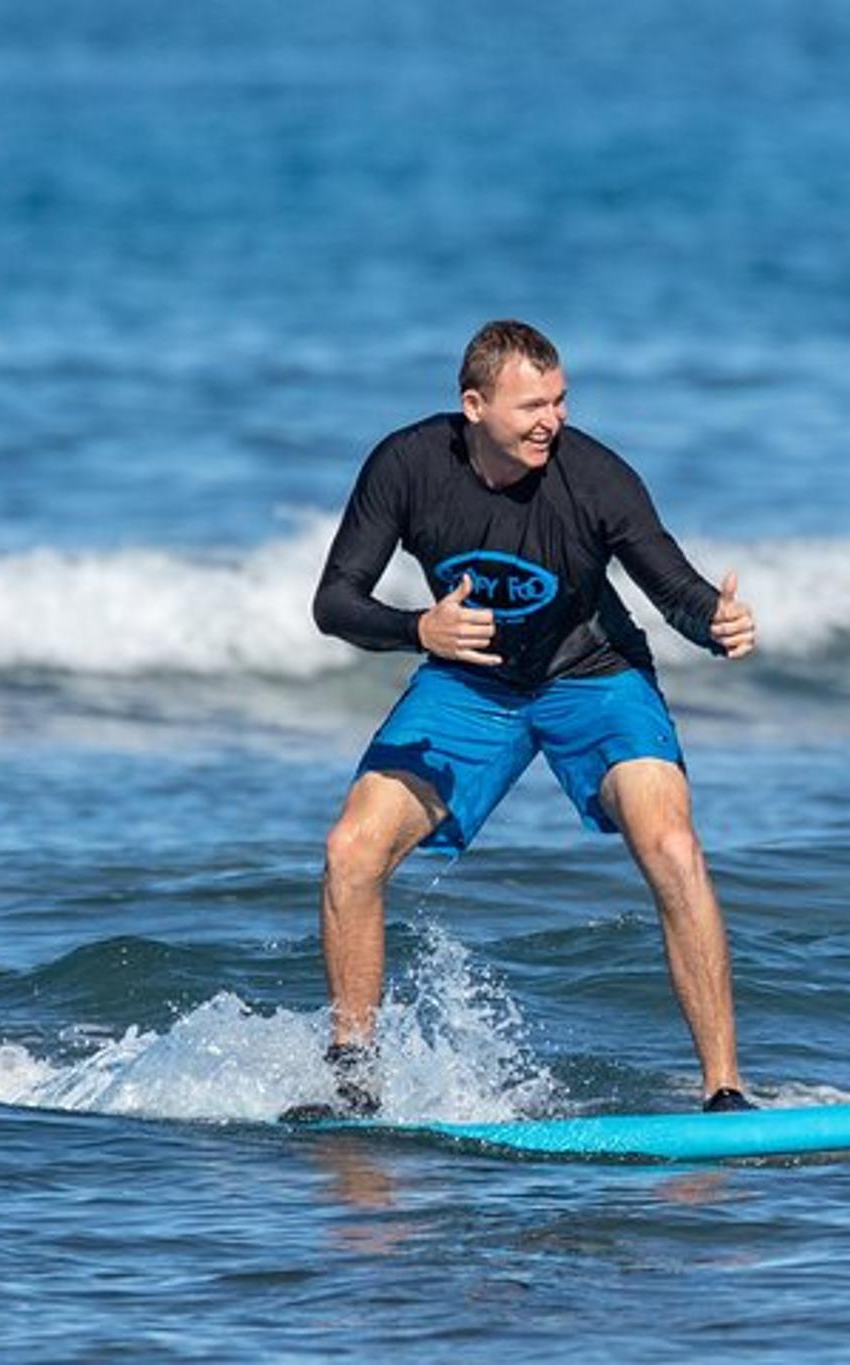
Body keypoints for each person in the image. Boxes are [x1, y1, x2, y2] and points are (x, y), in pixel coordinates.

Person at [285, 319, 756, 1122]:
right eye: (531, 404)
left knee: (672, 845)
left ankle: (724, 1090)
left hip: (596, 675)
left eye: (561, 401)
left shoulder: (596, 477)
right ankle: (354, 1079)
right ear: (474, 406)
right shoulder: (407, 465)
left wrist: (713, 621)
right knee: (350, 849)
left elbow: (669, 583)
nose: (552, 420)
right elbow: (335, 602)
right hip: (470, 685)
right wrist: (416, 629)